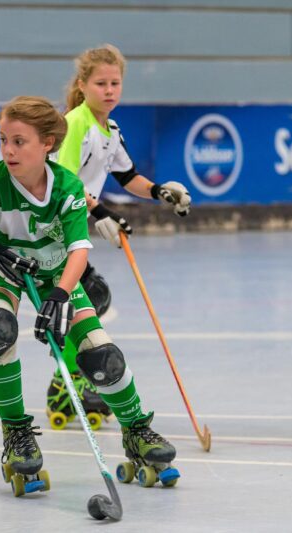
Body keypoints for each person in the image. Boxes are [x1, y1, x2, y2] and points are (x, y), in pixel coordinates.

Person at [0, 96, 177, 491]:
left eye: (19, 142)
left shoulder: (67, 187)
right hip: (0, 268)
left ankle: (136, 430)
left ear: (47, 143)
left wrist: (61, 295)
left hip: (53, 270)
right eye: (3, 140)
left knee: (101, 353)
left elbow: (79, 250)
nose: (8, 150)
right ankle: (17, 433)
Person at [44, 44, 192, 429]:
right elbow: (64, 181)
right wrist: (100, 211)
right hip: (50, 229)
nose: (109, 90)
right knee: (84, 300)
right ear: (82, 85)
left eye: (115, 83)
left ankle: (68, 379)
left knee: (93, 297)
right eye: (101, 83)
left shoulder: (110, 131)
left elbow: (128, 177)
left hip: (71, 228)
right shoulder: (75, 123)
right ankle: (67, 382)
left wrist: (159, 191)